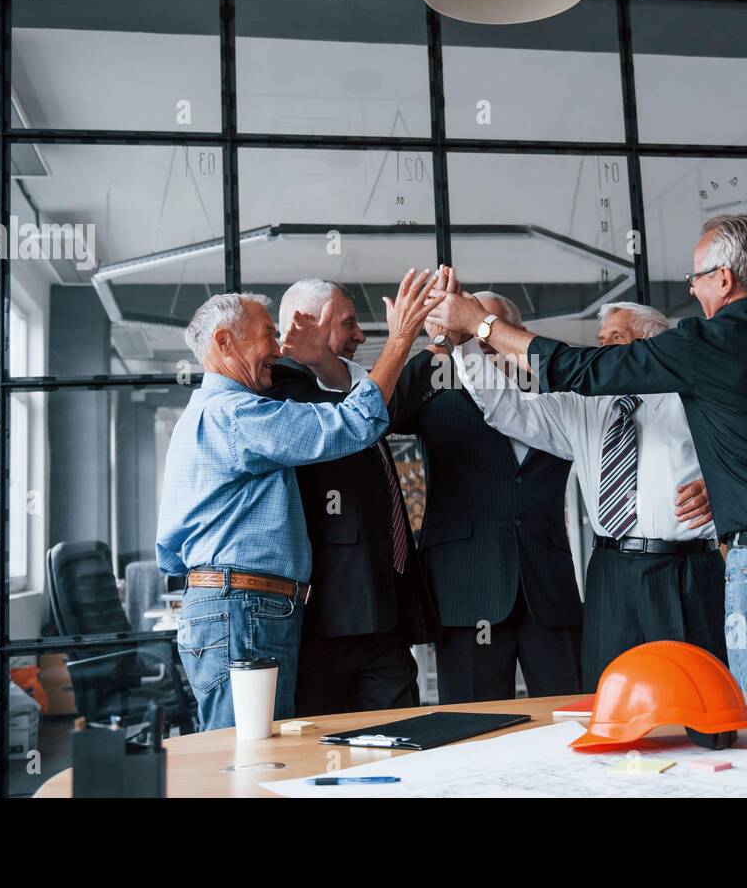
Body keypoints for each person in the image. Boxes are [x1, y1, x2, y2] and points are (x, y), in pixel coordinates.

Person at [427, 215, 747, 707]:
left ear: (723, 278)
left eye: (696, 277)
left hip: (745, 566)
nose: (693, 290)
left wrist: (482, 323)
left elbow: (576, 366)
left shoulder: (702, 354)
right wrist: (469, 346)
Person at [156, 270, 438, 729]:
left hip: (238, 603)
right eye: (269, 334)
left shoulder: (215, 411)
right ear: (225, 342)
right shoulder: (237, 414)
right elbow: (355, 423)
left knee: (257, 751)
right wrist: (402, 336)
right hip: (241, 606)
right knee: (245, 757)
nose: (278, 346)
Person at [450, 299, 722, 691]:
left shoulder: (696, 400)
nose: (603, 348)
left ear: (655, 346)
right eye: (600, 340)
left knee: (698, 696)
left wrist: (721, 487)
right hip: (609, 573)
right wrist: (466, 348)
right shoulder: (582, 406)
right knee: (612, 695)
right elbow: (507, 409)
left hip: (686, 571)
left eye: (617, 337)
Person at [390, 282, 583, 704]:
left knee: (570, 715)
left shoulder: (561, 395)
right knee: (472, 728)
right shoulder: (436, 390)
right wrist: (439, 347)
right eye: (473, 333)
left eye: (489, 331)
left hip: (547, 585)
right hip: (466, 585)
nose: (486, 345)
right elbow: (380, 416)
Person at [268, 279, 438, 716]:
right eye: (349, 324)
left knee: (403, 742)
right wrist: (400, 339)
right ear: (307, 323)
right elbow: (355, 417)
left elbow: (365, 403)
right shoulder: (280, 393)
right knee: (328, 759)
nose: (361, 335)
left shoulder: (340, 389)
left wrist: (325, 358)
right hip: (328, 621)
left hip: (382, 615)